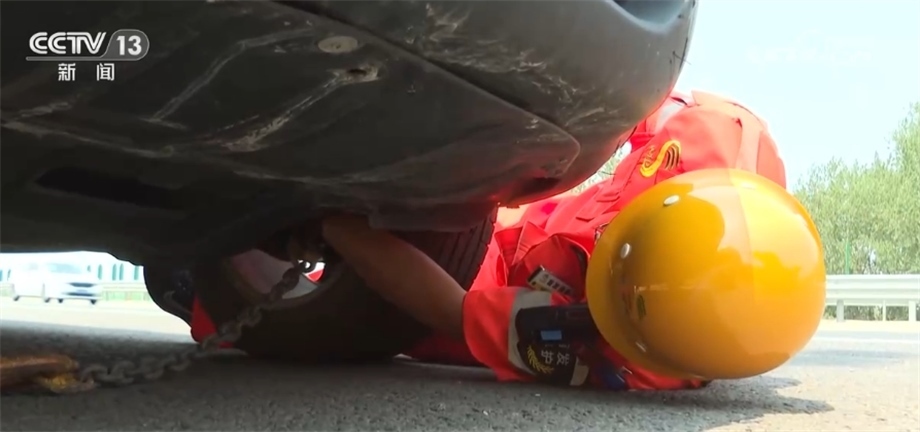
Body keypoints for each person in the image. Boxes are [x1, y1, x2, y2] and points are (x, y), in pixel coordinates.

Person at [192, 90, 828, 390]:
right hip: (508, 213)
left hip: (476, 285)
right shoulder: (717, 137)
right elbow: (625, 96)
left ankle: (185, 280)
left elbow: (453, 310)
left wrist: (332, 230)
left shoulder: (622, 351)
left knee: (293, 315)